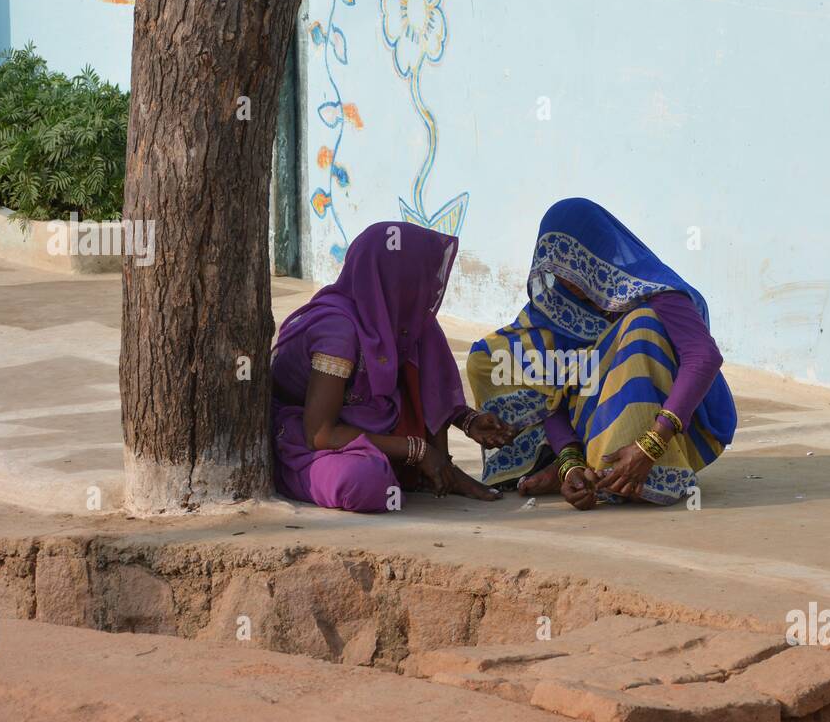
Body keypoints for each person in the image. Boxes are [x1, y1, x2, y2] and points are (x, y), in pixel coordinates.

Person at [467, 198, 736, 510]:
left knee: (641, 323)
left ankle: (634, 469)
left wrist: (650, 445)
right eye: (559, 266)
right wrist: (570, 463)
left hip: (671, 427)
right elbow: (550, 396)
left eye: (577, 262)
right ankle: (573, 468)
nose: (568, 278)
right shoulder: (560, 305)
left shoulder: (655, 291)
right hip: (591, 419)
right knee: (494, 356)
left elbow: (703, 357)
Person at [271, 222, 516, 512]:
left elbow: (430, 382)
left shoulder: (404, 318)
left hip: (369, 423)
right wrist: (417, 450)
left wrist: (466, 420)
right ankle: (415, 467)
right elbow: (320, 435)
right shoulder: (336, 330)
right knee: (364, 481)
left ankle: (440, 469)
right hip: (305, 437)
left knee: (424, 335)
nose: (433, 286)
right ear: (390, 278)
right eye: (421, 277)